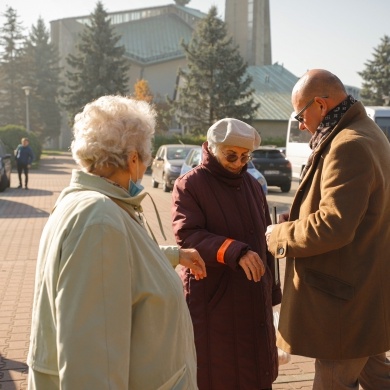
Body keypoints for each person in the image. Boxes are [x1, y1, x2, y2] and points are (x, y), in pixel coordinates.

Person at [27, 95, 207, 390]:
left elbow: (117, 273)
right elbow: (91, 361)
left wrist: (173, 256)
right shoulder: (98, 217)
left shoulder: (93, 208)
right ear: (133, 158)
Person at [265, 69, 390, 389]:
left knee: (332, 383)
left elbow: (334, 225)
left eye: (300, 115)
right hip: (363, 297)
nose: (300, 124)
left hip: (345, 304)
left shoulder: (348, 144)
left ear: (320, 104)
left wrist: (279, 236)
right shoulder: (367, 133)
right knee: (378, 377)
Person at [171, 118, 282, 390]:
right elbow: (188, 235)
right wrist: (235, 251)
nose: (238, 163)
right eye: (231, 156)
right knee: (219, 375)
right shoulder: (190, 184)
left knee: (257, 373)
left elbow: (262, 236)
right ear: (212, 148)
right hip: (213, 299)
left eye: (245, 156)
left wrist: (272, 288)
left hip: (253, 297)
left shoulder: (253, 186)